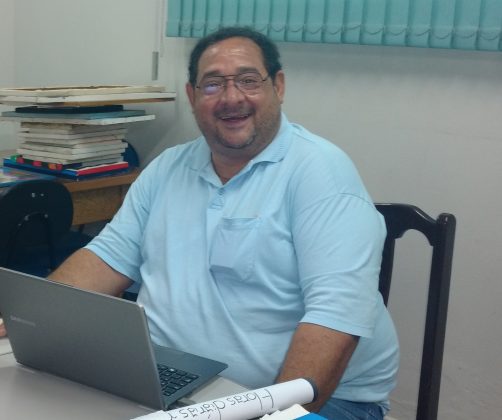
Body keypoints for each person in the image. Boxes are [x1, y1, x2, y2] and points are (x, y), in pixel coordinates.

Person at [22, 27, 397, 419]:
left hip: (304, 400)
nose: (232, 98)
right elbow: (105, 259)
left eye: (249, 80)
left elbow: (334, 319)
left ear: (278, 86)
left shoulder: (321, 175)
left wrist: (273, 412)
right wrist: (30, 317)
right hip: (172, 380)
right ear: (192, 96)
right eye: (213, 84)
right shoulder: (167, 168)